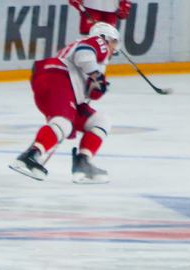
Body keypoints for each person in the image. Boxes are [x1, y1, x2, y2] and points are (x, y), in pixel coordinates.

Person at [9, 21, 118, 184]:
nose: (115, 48)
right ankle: (29, 157)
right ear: (105, 37)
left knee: (101, 120)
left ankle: (83, 162)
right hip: (58, 79)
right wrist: (96, 75)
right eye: (114, 41)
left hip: (62, 86)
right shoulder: (97, 42)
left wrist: (97, 86)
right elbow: (83, 54)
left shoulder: (98, 59)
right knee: (63, 123)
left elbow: (91, 91)